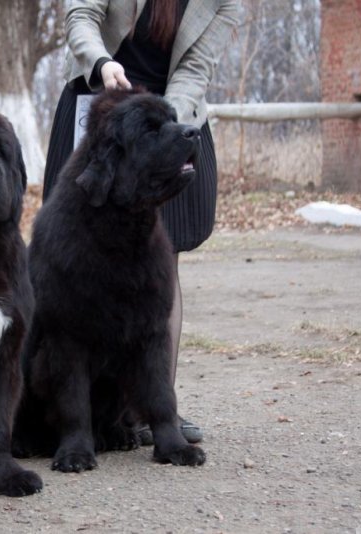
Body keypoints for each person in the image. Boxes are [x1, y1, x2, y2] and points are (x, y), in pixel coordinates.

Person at [43, 0, 241, 444]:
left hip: (173, 117)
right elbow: (81, 17)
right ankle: (71, 412)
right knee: (68, 266)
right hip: (99, 109)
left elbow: (196, 67)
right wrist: (102, 63)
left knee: (161, 265)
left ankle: (155, 410)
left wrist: (163, 125)